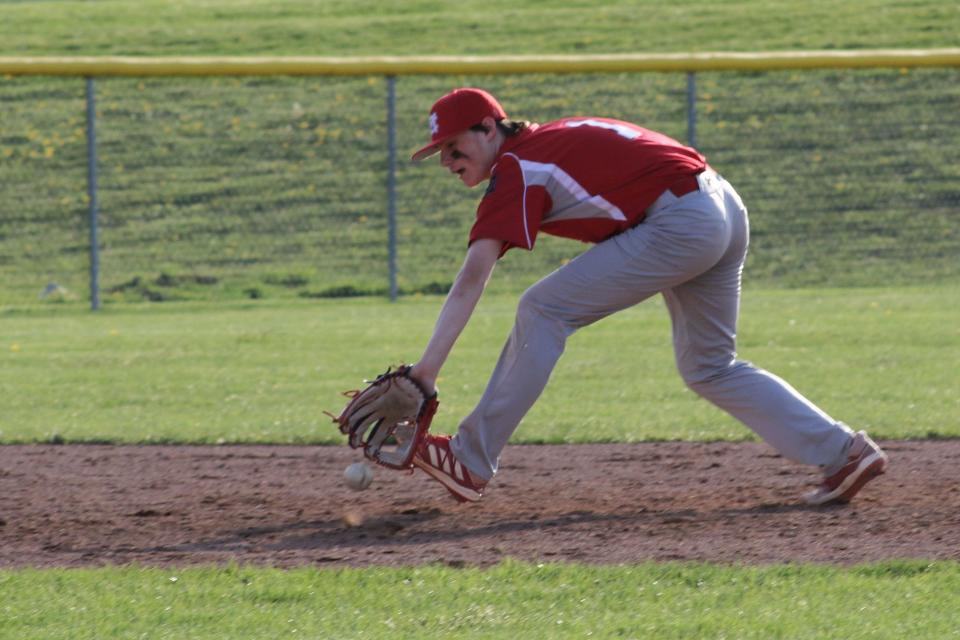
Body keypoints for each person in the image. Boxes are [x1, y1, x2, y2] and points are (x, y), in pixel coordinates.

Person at [402, 87, 887, 506]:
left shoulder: (518, 165)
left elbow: (473, 276)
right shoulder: (545, 141)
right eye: (439, 152)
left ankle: (469, 458)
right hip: (719, 204)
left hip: (683, 219)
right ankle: (844, 454)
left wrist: (425, 374)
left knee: (542, 308)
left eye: (452, 145)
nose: (446, 160)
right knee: (709, 365)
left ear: (489, 128)